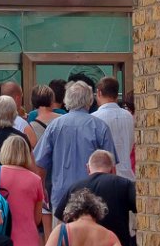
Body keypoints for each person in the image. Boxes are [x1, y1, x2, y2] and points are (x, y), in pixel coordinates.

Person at [33, 80, 116, 218]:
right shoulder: (100, 127)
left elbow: (40, 164)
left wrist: (42, 191)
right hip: (94, 197)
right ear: (89, 101)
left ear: (67, 100)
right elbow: (111, 167)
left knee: (62, 236)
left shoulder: (55, 126)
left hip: (61, 196)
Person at [70, 150, 136, 246]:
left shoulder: (75, 188)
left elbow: (63, 219)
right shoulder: (124, 184)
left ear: (88, 168)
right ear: (113, 169)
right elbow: (142, 209)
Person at [93, 77, 135, 181]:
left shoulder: (94, 118)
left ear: (99, 93)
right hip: (128, 175)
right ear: (117, 93)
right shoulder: (129, 116)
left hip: (105, 178)